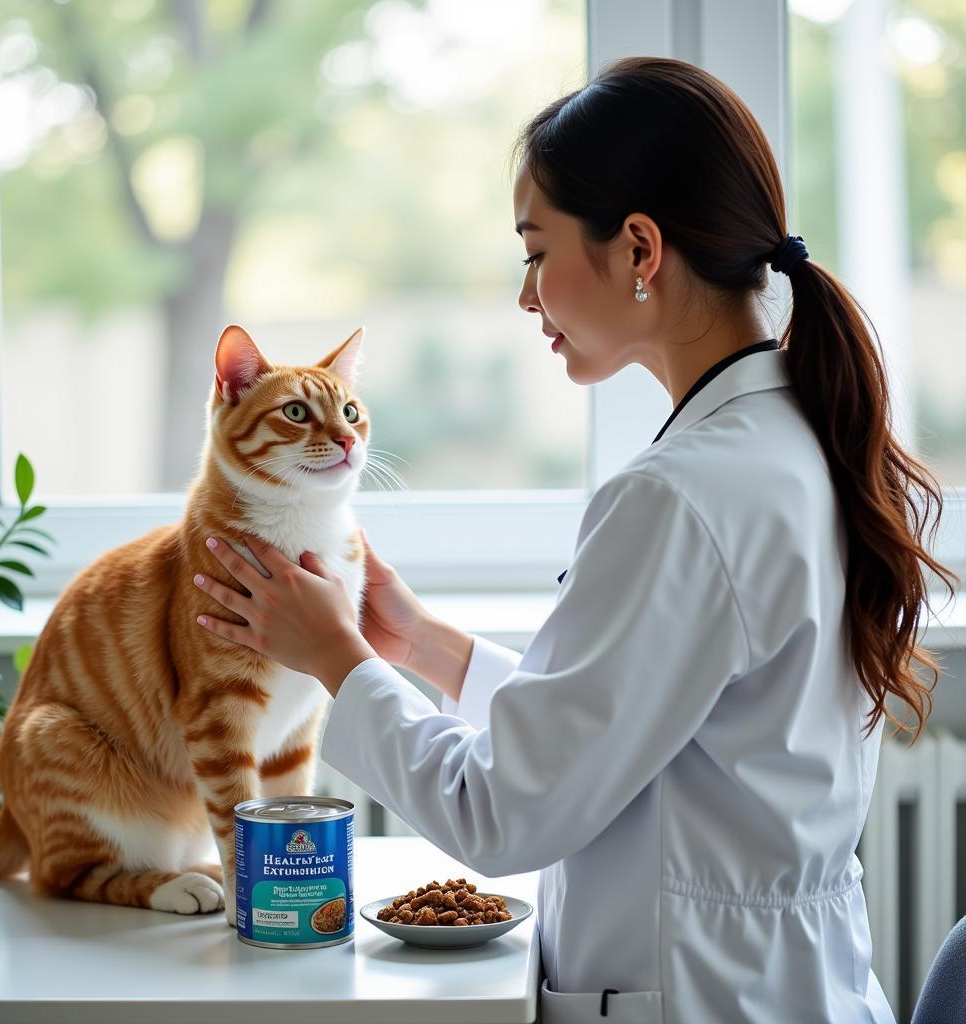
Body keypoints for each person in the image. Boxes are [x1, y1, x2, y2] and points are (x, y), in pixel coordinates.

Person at [192, 56, 958, 1022]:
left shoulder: (680, 497)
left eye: (535, 251)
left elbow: (506, 812)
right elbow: (650, 732)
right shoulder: (790, 438)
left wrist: (340, 661)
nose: (525, 297)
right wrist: (422, 644)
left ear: (639, 249)